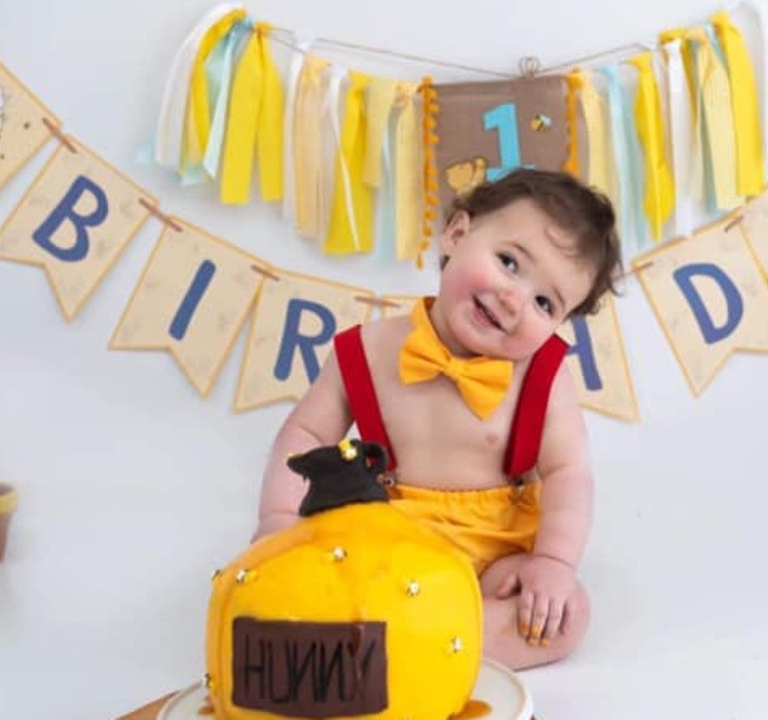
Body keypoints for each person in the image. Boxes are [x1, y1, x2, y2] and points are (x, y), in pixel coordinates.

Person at [253, 168, 621, 670]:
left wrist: (553, 564)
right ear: (457, 234)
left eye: (544, 302)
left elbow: (568, 472)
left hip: (498, 558)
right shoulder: (368, 350)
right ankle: (402, 639)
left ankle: (411, 648)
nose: (514, 300)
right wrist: (279, 522)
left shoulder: (544, 375)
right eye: (509, 262)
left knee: (565, 616)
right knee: (329, 579)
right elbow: (307, 433)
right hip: (386, 541)